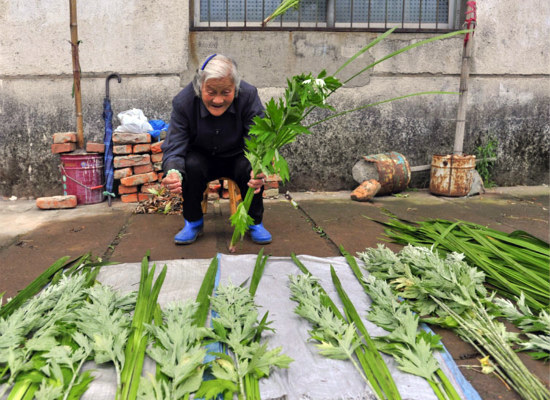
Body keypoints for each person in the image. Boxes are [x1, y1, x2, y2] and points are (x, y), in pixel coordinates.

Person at [161, 54, 272, 245]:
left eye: (226, 92)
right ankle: (193, 222)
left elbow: (259, 137)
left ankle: (254, 222)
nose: (218, 100)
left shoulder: (248, 95)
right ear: (199, 86)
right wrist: (173, 171)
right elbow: (175, 143)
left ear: (235, 88)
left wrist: (259, 164)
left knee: (250, 168)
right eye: (211, 92)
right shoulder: (184, 102)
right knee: (190, 165)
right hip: (202, 156)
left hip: (238, 155)